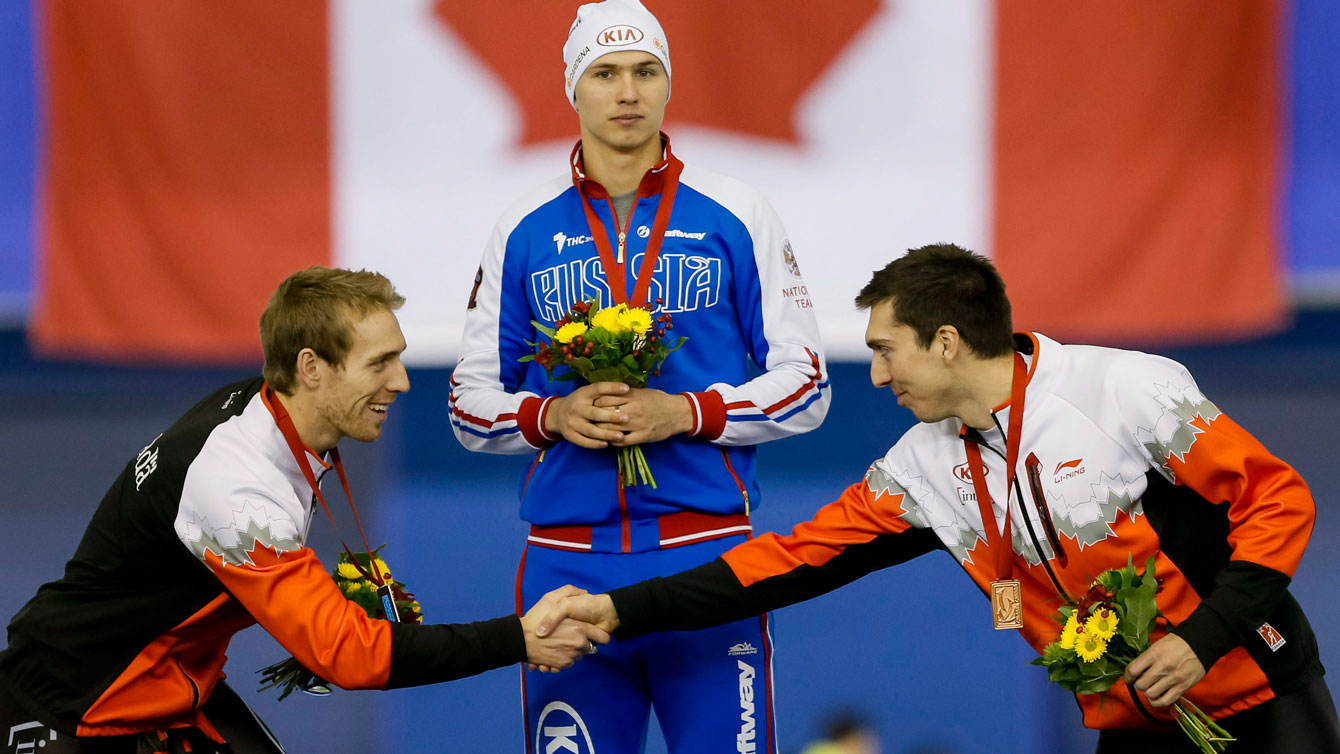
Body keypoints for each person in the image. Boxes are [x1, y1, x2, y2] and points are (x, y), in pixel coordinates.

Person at [537, 244, 1340, 753]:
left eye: (887, 352)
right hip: (1138, 718)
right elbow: (786, 564)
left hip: (1259, 694)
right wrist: (620, 611)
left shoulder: (1125, 389)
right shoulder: (922, 466)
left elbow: (1279, 502)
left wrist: (1205, 636)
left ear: (947, 341)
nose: (878, 376)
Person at [0, 267, 606, 753]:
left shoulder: (270, 409)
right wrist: (518, 639)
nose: (402, 382)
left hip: (175, 691)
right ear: (311, 367)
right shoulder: (236, 489)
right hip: (70, 706)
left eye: (398, 357)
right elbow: (348, 656)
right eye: (379, 364)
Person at [449, 1, 830, 751]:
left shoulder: (737, 211)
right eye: (606, 73)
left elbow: (807, 384)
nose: (627, 92)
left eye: (645, 71)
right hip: (567, 562)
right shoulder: (523, 225)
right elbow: (468, 405)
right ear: (573, 89)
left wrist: (686, 412)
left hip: (710, 552)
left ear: (667, 84)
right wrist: (549, 419)